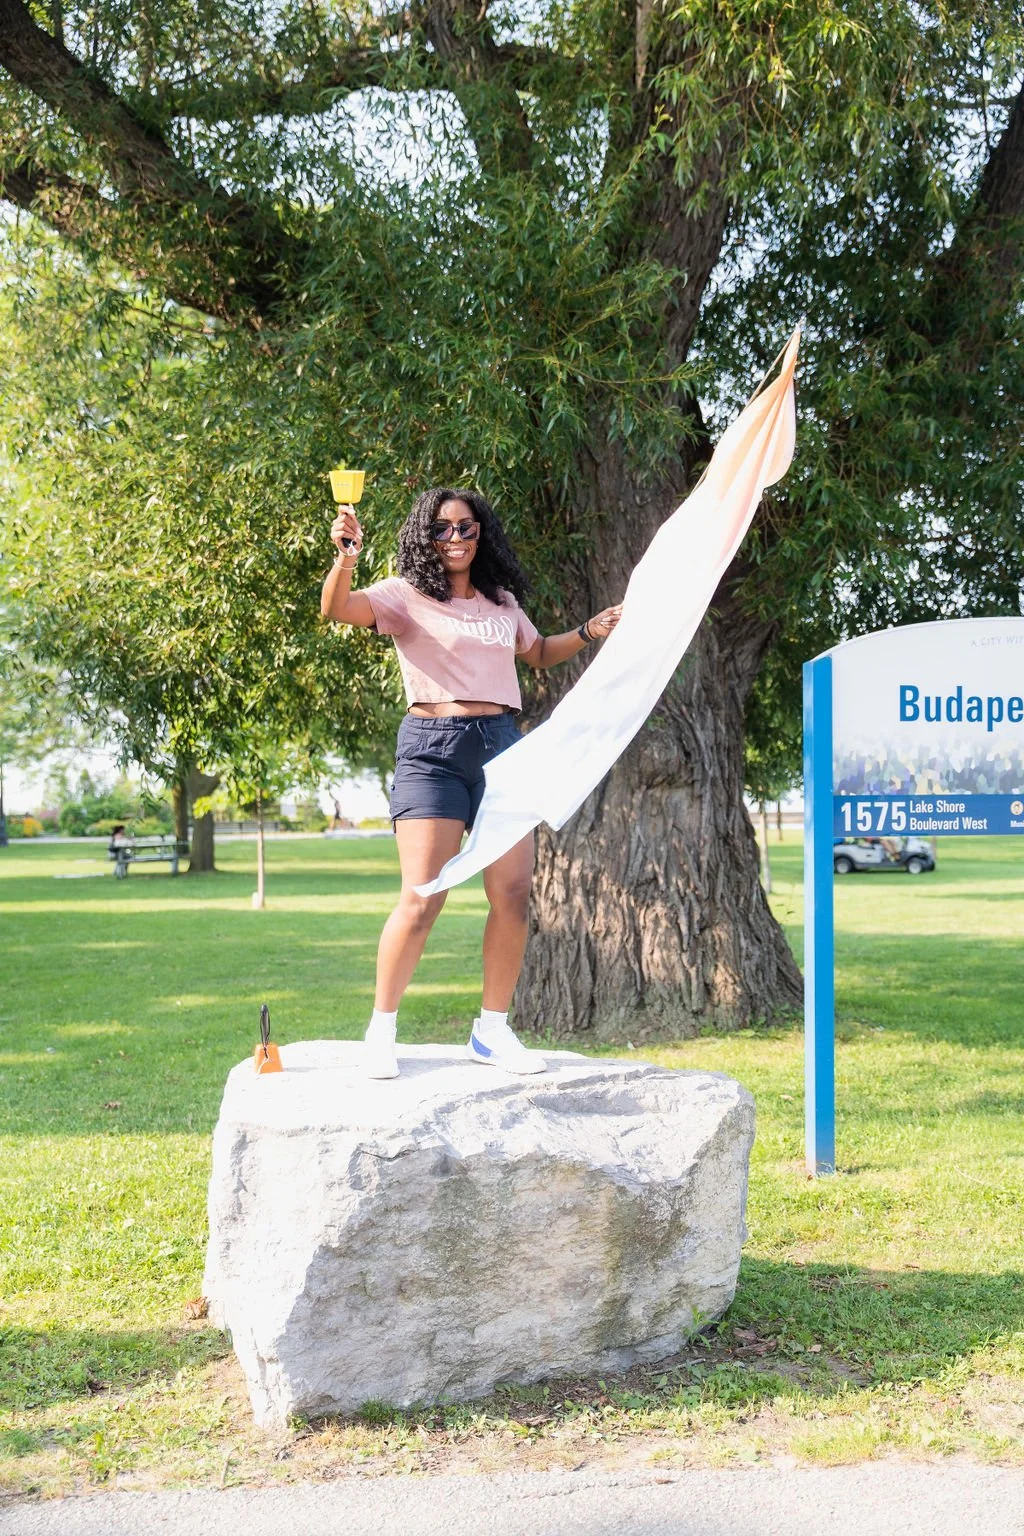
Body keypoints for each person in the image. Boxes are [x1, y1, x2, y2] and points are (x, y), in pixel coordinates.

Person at [321, 486, 621, 1080]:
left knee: (511, 894)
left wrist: (591, 630)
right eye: (441, 529)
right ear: (423, 538)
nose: (455, 538)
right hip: (433, 751)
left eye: (465, 527)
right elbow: (337, 608)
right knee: (424, 895)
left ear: (481, 532)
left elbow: (537, 653)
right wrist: (346, 556)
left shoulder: (501, 601)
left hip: (503, 749)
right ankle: (381, 1032)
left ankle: (492, 1031)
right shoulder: (405, 596)